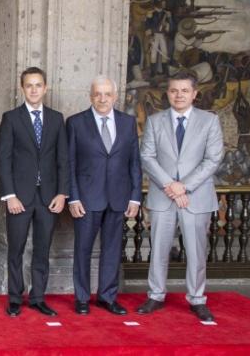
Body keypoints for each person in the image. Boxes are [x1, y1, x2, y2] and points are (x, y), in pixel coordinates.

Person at [137, 70, 223, 322]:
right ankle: (155, 295)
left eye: (185, 90)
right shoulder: (155, 121)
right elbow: (147, 157)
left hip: (195, 197)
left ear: (194, 94)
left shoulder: (209, 121)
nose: (179, 95)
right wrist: (170, 186)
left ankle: (197, 299)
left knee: (196, 251)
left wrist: (183, 187)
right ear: (167, 93)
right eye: (174, 90)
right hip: (163, 196)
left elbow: (213, 159)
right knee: (158, 249)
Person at [0, 67, 68, 317]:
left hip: (49, 197)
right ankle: (15, 298)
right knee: (15, 249)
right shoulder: (11, 118)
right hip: (19, 197)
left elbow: (63, 159)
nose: (34, 90)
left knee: (42, 249)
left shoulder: (57, 119)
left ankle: (38, 298)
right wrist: (10, 195)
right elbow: (3, 160)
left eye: (38, 85)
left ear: (45, 88)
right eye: (29, 85)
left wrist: (62, 193)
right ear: (22, 89)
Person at [67, 76, 142, 316]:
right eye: (98, 94)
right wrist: (73, 197)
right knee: (83, 250)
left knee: (112, 250)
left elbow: (134, 162)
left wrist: (135, 197)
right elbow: (69, 164)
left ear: (115, 97)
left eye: (107, 94)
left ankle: (107, 297)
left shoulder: (128, 122)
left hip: (119, 197)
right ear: (90, 96)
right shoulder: (75, 123)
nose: (102, 99)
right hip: (86, 199)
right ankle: (81, 298)